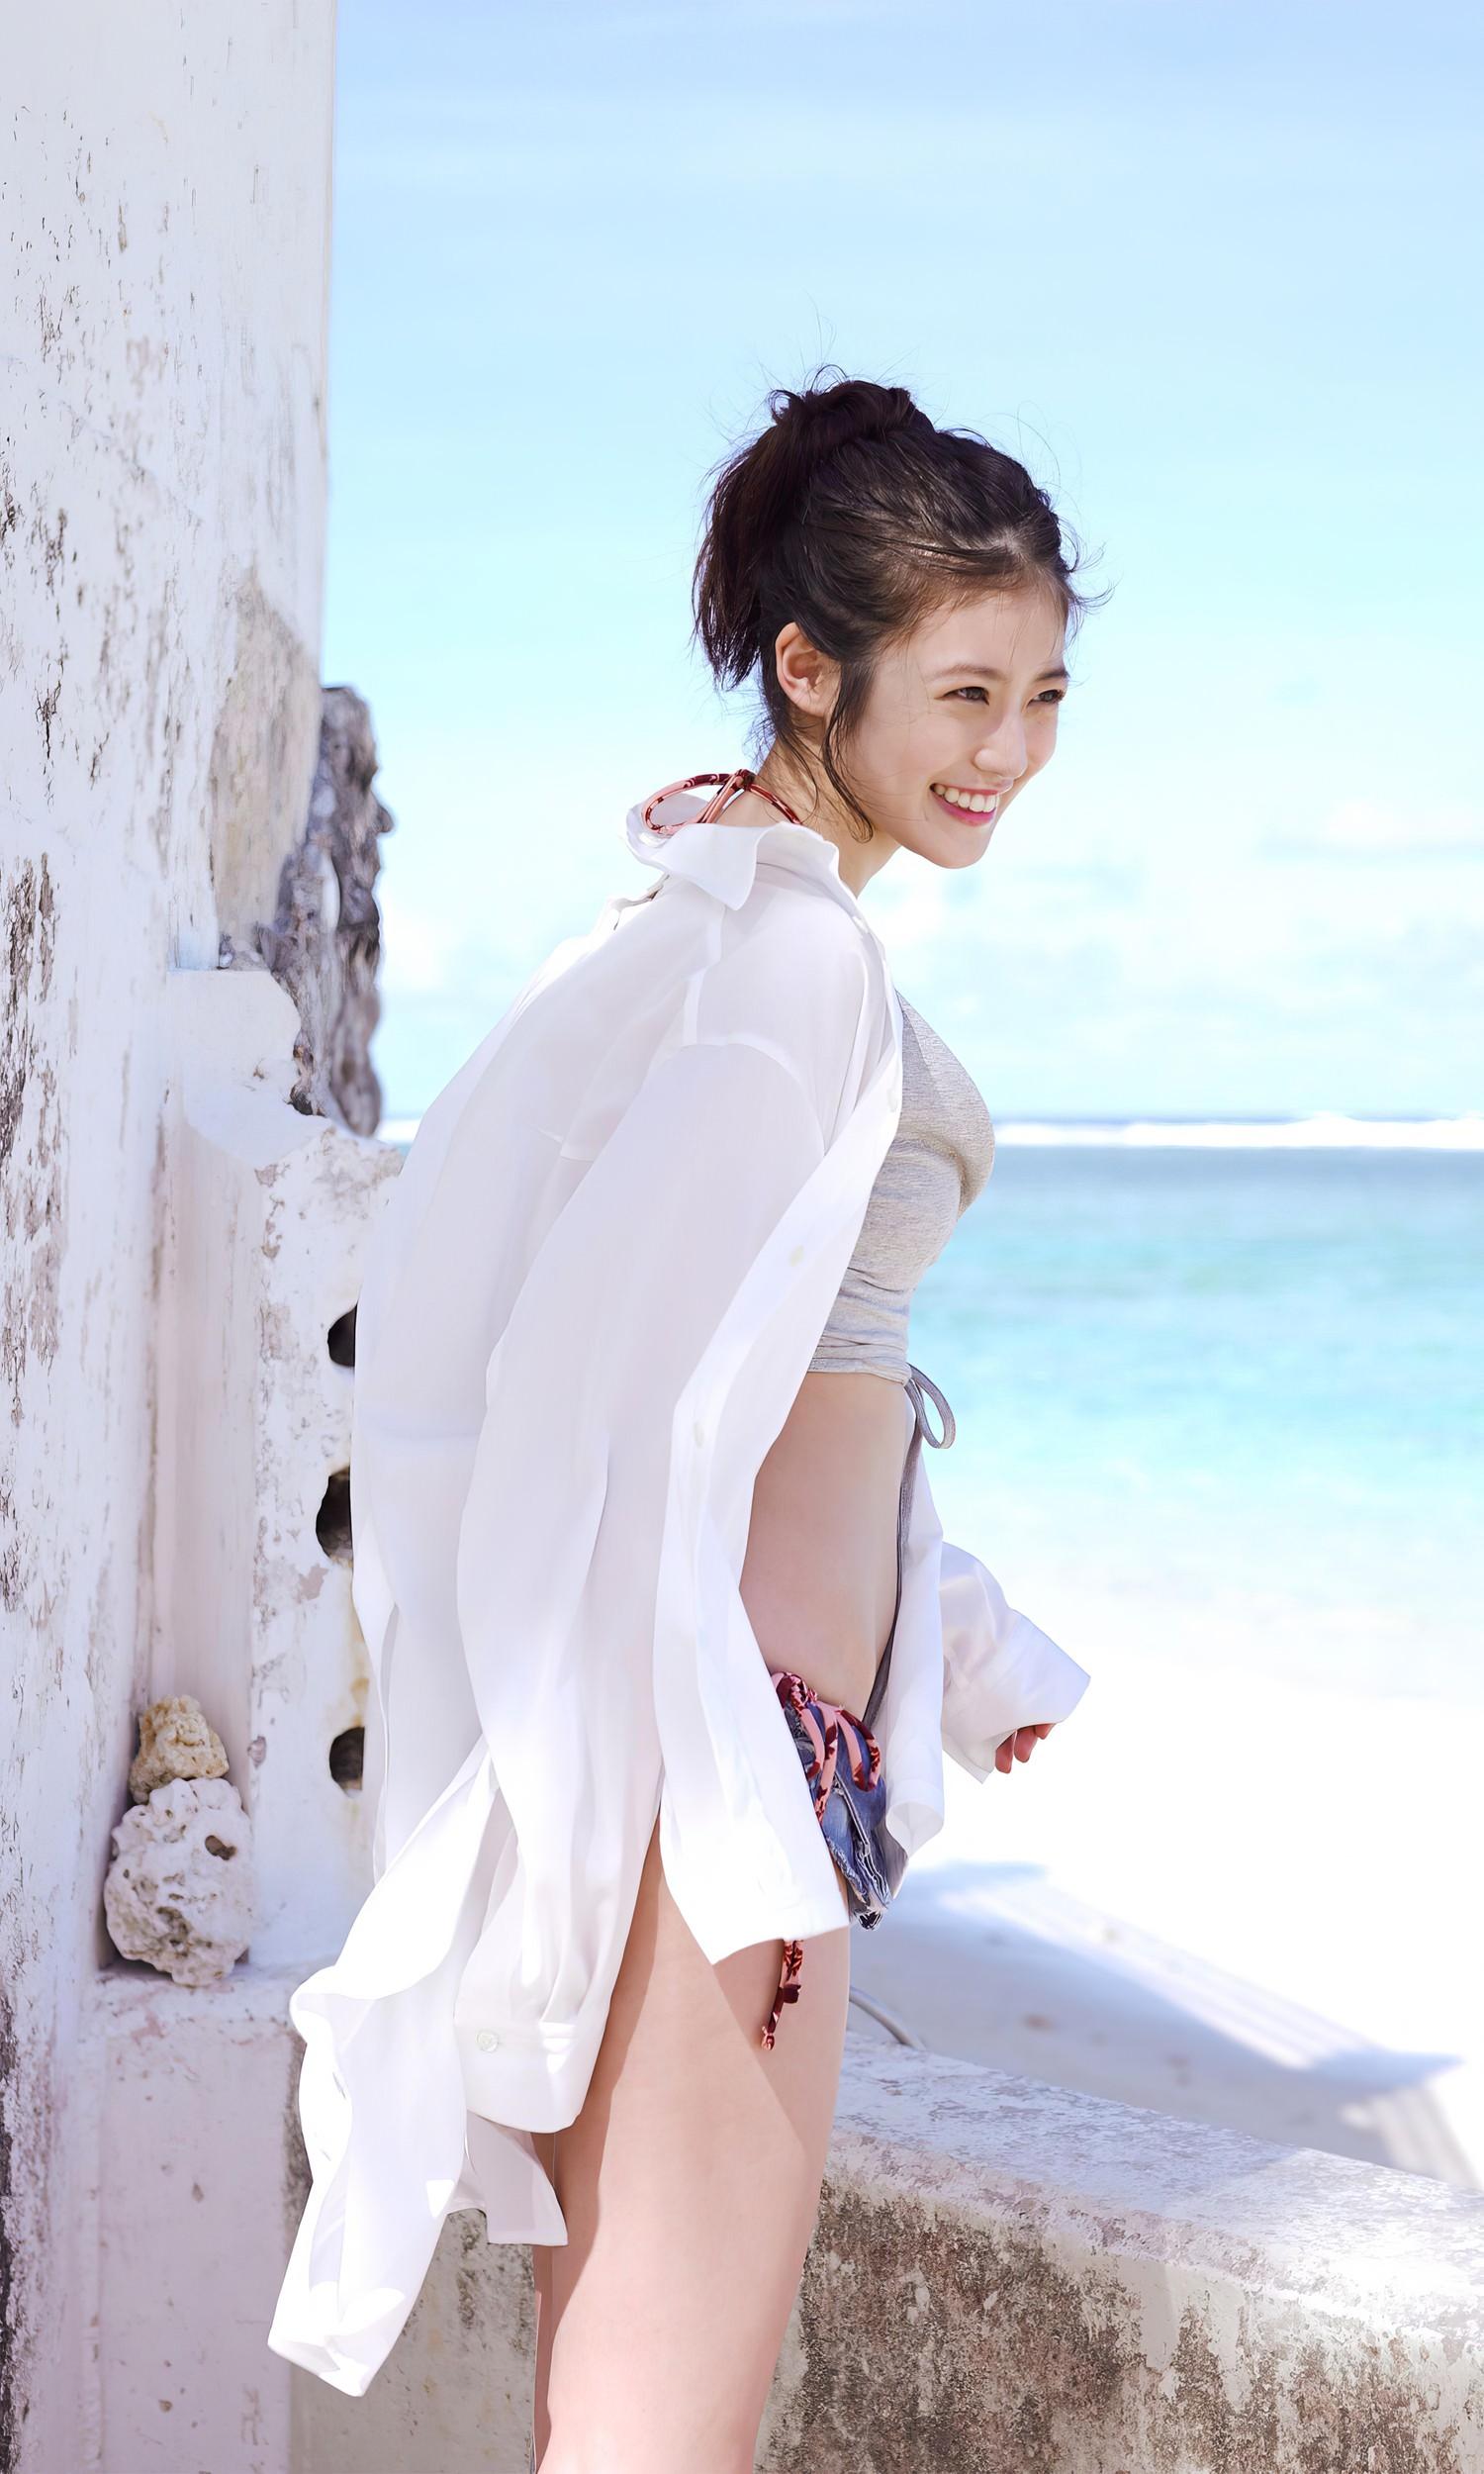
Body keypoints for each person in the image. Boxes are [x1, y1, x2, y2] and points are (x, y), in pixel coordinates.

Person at [266, 372, 1099, 2468]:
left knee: (635, 2413)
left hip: (753, 1755)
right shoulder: (783, 964)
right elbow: (596, 1400)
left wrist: (964, 1642)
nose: (1008, 752)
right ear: (812, 670)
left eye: (1044, 697)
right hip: (735, 1778)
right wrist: (721, 1780)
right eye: (966, 691)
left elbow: (774, 1379)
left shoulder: (735, 930)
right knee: (658, 2435)